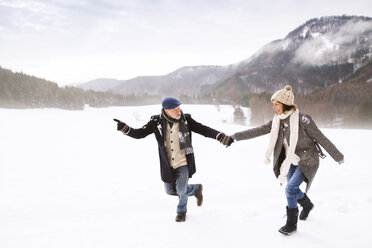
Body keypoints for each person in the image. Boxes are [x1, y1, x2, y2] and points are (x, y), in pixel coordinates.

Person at [223, 85, 344, 235]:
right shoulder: (277, 121)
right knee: (292, 190)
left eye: (276, 104)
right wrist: (234, 136)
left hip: (307, 159)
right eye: (273, 103)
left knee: (290, 189)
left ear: (285, 105)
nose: (273, 107)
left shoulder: (303, 120)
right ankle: (307, 205)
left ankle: (291, 225)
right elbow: (258, 130)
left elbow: (321, 138)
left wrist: (337, 156)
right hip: (290, 160)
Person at [114, 97, 230, 222]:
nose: (178, 111)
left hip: (183, 162)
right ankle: (196, 189)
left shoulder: (186, 120)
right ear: (166, 110)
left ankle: (181, 213)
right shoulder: (155, 122)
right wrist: (126, 129)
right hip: (168, 164)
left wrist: (219, 136)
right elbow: (140, 133)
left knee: (181, 191)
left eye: (178, 108)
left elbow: (204, 129)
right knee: (169, 191)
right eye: (174, 109)